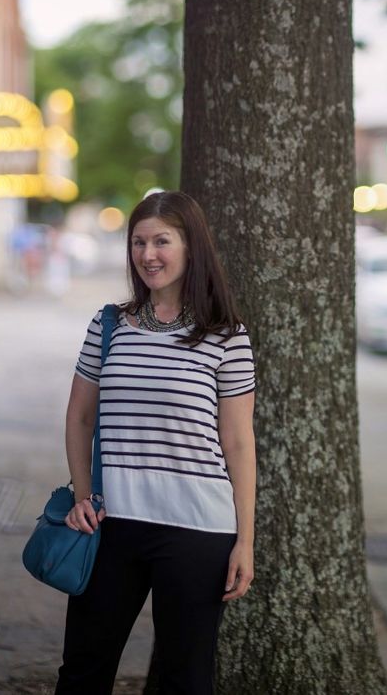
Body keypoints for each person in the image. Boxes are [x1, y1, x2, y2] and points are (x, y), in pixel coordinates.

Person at [55, 191, 257, 695]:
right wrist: (83, 495)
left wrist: (245, 541)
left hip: (196, 528)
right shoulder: (109, 326)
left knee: (186, 680)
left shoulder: (226, 336)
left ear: (191, 249)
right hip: (112, 526)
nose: (148, 255)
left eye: (162, 241)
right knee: (82, 671)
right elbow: (80, 417)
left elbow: (237, 441)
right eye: (139, 242)